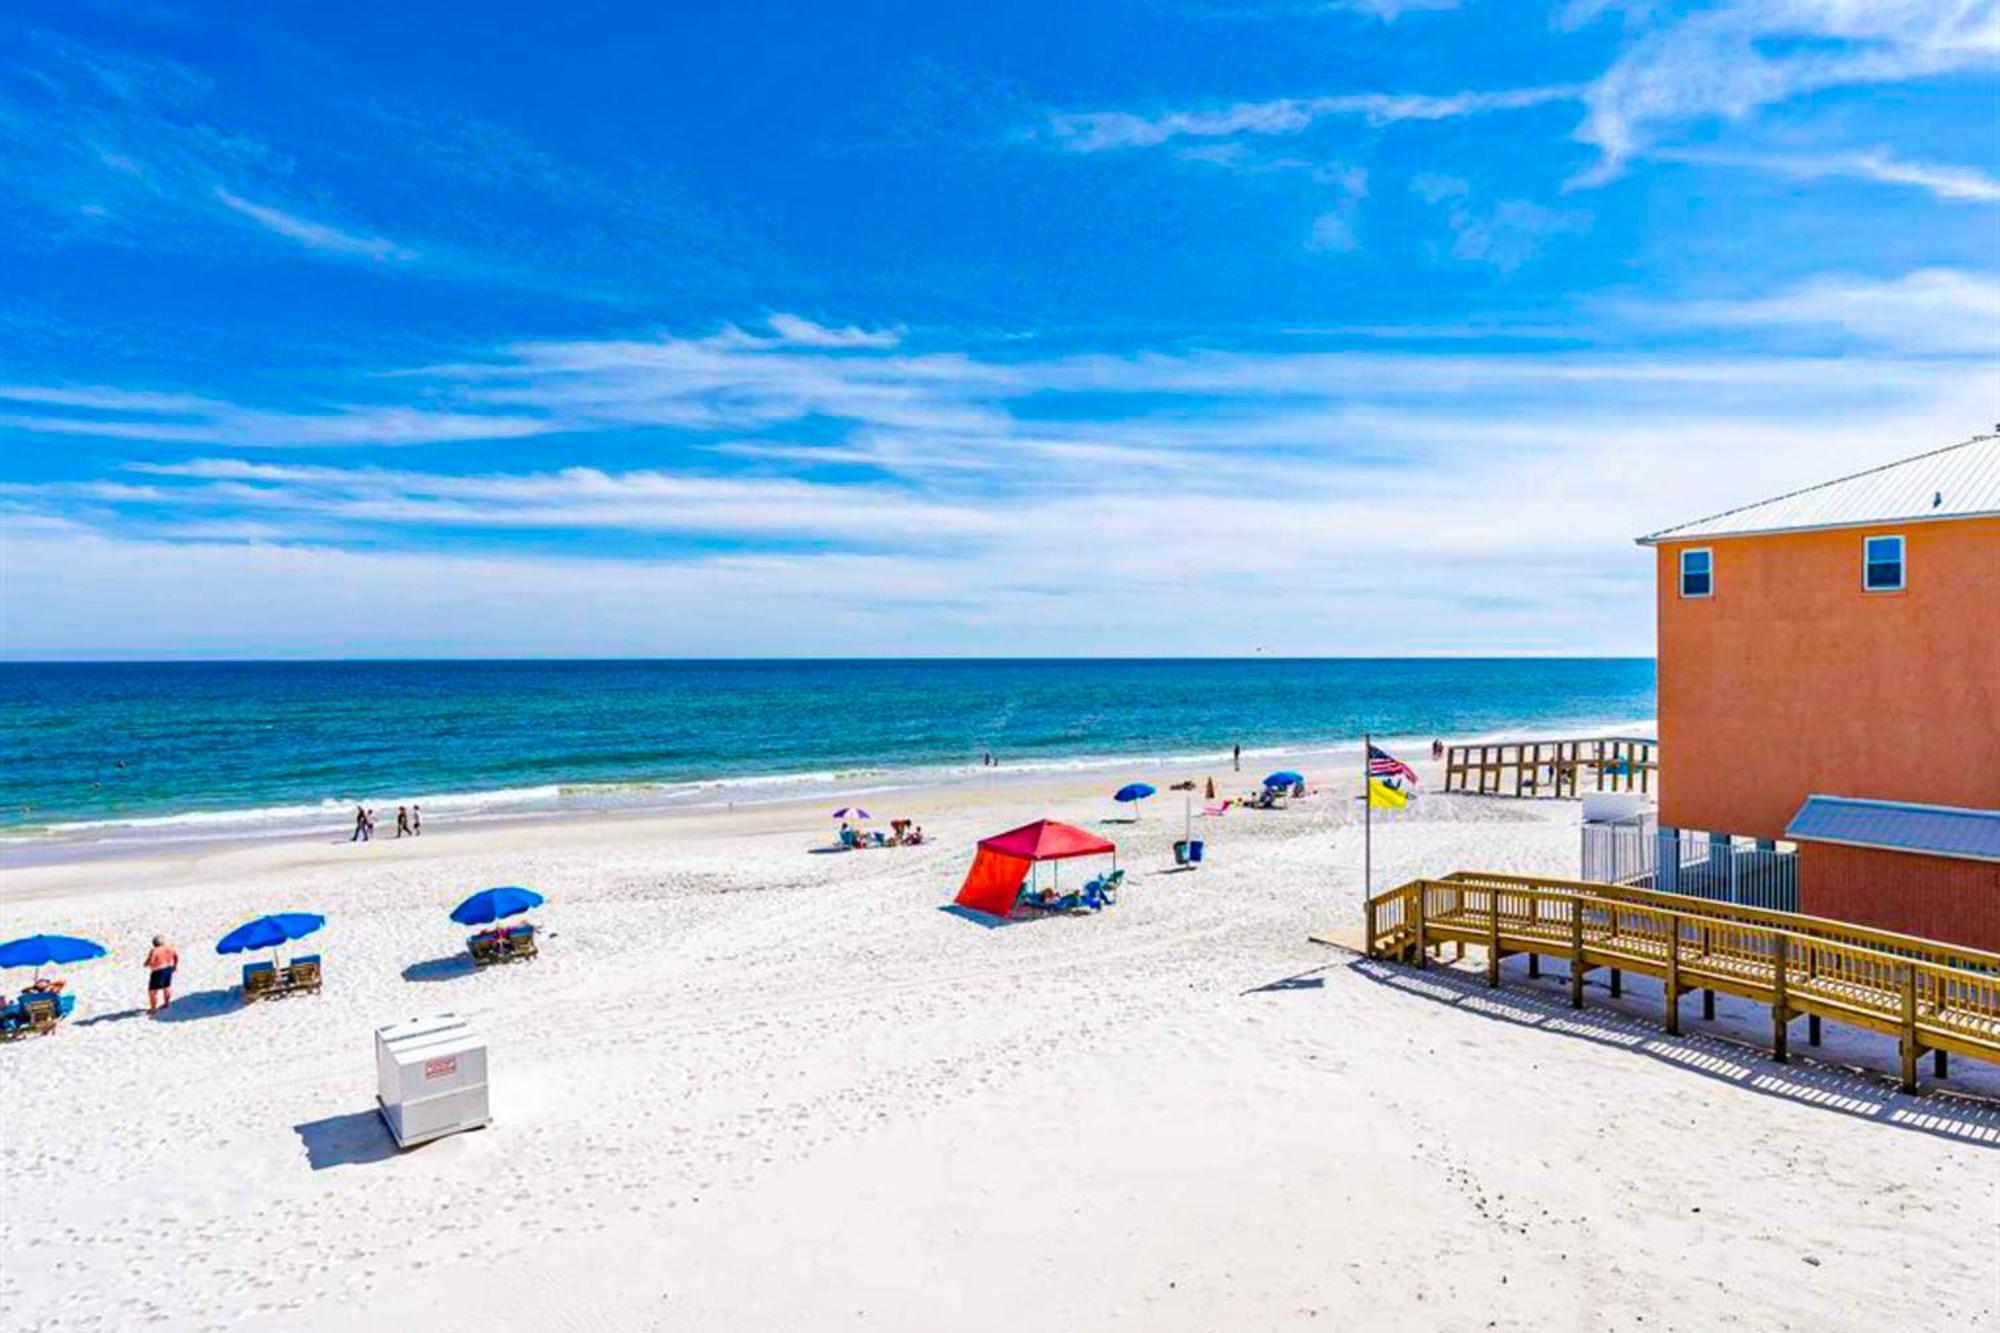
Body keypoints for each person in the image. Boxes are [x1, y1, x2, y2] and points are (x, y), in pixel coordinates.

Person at [145, 936, 178, 1014]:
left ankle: (153, 1009)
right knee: (167, 986)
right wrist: (175, 965)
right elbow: (176, 956)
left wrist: (146, 964)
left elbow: (151, 961)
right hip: (168, 968)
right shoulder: (169, 948)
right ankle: (166, 1003)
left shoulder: (154, 951)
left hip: (158, 971)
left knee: (153, 991)